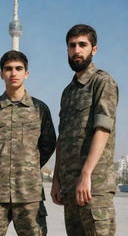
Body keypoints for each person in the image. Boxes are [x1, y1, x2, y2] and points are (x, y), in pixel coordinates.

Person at [0, 50, 56, 236]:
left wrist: (29, 165)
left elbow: (48, 144)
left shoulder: (39, 109)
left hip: (29, 193)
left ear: (26, 73)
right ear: (1, 73)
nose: (13, 73)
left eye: (19, 68)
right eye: (8, 69)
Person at [51, 24, 118, 235]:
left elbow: (103, 129)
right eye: (72, 46)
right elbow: (62, 139)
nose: (77, 50)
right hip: (70, 188)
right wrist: (56, 180)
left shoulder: (102, 82)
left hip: (93, 187)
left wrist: (86, 174)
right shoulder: (68, 92)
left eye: (83, 45)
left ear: (94, 49)